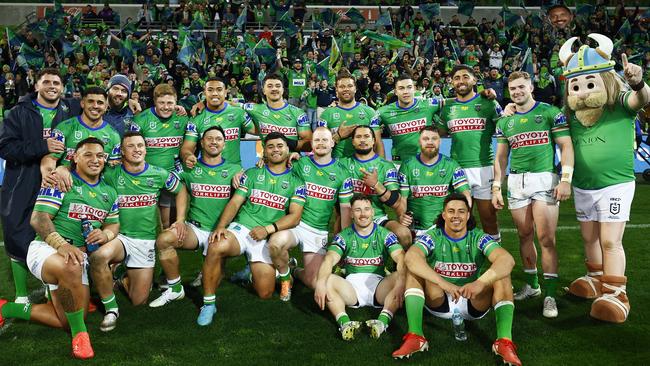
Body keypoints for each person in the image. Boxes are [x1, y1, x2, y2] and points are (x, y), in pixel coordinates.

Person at [0, 137, 120, 359]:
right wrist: (61, 245)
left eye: (100, 156)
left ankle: (5, 309)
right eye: (88, 155)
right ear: (75, 158)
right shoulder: (61, 181)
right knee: (72, 265)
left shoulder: (109, 192)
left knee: (67, 318)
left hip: (76, 256)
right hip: (47, 248)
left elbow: (114, 223)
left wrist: (106, 233)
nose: (95, 160)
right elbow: (39, 218)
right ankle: (81, 337)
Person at [559, 34, 650, 323]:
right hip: (584, 186)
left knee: (610, 240)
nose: (583, 92)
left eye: (589, 83)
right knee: (589, 237)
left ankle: (615, 292)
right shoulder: (571, 116)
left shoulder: (620, 102)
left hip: (616, 184)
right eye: (577, 85)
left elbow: (643, 99)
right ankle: (595, 276)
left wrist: (637, 82)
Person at [392, 194, 521, 366]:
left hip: (472, 300)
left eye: (461, 211)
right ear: (444, 214)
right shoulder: (433, 236)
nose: (456, 216)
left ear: (468, 215)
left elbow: (507, 260)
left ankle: (504, 342)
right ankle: (416, 336)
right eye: (451, 211)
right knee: (414, 271)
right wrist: (443, 283)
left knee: (502, 274)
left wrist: (480, 283)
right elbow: (411, 258)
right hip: (439, 299)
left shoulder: (478, 237)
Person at [197, 132, 306, 326]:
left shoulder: (297, 182)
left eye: (280, 146)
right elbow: (235, 202)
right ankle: (208, 304)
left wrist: (267, 229)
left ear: (288, 150)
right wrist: (221, 227)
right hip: (242, 230)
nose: (275, 150)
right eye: (270, 146)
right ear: (263, 150)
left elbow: (295, 217)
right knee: (215, 246)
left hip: (265, 236)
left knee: (264, 293)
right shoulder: (252, 173)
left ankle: (252, 272)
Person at [492, 71, 574, 318]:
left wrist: (566, 180)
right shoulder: (504, 121)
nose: (517, 92)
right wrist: (497, 186)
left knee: (546, 238)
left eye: (521, 87)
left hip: (544, 179)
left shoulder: (550, 113)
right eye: (512, 88)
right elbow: (501, 157)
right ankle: (534, 287)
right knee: (524, 235)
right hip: (517, 181)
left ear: (531, 87)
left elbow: (566, 146)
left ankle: (549, 295)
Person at [89, 131, 182, 332]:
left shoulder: (159, 174)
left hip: (145, 241)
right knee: (98, 257)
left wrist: (180, 220)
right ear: (122, 151)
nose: (137, 149)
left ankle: (120, 273)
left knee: (138, 300)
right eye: (131, 146)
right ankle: (111, 309)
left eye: (140, 145)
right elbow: (85, 173)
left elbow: (180, 190)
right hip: (119, 237)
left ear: (146, 149)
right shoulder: (111, 174)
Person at [0, 68, 78, 305]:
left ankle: (51, 287)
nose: (52, 86)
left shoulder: (72, 109)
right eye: (47, 82)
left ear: (62, 87)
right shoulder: (17, 113)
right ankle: (22, 295)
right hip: (23, 180)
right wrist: (41, 146)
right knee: (17, 233)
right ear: (37, 86)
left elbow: (98, 115)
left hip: (60, 180)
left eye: (56, 82)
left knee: (56, 231)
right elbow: (5, 147)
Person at [150, 126, 242, 307]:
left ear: (224, 145)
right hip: (195, 229)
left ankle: (214, 272)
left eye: (218, 139)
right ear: (201, 143)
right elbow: (166, 181)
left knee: (214, 281)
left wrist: (243, 175)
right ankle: (175, 288)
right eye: (209, 138)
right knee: (164, 240)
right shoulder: (189, 168)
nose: (214, 142)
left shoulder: (235, 169)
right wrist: (180, 220)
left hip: (220, 233)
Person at [268, 127, 353, 300]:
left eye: (324, 140)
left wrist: (346, 244)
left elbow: (345, 211)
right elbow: (274, 165)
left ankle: (294, 271)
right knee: (275, 243)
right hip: (296, 224)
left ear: (332, 143)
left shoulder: (343, 172)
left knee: (314, 281)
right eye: (317, 140)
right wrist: (263, 161)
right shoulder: (300, 164)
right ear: (311, 144)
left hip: (317, 230)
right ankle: (285, 278)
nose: (321, 143)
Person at [314, 194, 405, 340]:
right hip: (351, 289)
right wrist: (320, 283)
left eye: (367, 209)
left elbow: (400, 257)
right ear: (351, 213)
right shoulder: (344, 236)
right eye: (358, 210)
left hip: (379, 287)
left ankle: (382, 323)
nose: (363, 214)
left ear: (373, 212)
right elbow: (330, 259)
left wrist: (401, 281)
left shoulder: (385, 234)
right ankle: (345, 323)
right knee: (327, 279)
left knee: (401, 277)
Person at [438, 65, 504, 242]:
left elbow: (505, 128)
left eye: (465, 77)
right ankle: (463, 261)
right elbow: (440, 132)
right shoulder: (448, 107)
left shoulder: (489, 103)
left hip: (484, 168)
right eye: (457, 77)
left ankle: (496, 261)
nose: (461, 81)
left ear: (474, 80)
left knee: (488, 220)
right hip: (458, 170)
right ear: (452, 82)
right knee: (459, 221)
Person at [128, 84, 189, 229]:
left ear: (176, 103)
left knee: (169, 222)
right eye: (162, 103)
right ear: (155, 101)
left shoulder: (183, 119)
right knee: (147, 223)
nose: (166, 107)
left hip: (174, 175)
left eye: (170, 103)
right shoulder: (140, 120)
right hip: (147, 176)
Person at [342, 125, 411, 247]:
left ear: (374, 141)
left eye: (367, 136)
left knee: (403, 234)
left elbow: (396, 202)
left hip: (378, 217)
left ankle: (397, 266)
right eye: (358, 137)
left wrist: (376, 185)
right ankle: (343, 262)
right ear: (352, 141)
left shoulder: (386, 166)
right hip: (351, 217)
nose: (363, 140)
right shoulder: (342, 165)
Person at [398, 126, 471, 235]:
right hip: (414, 227)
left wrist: (464, 215)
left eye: (434, 138)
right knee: (401, 237)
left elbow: (465, 194)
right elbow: (402, 198)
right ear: (419, 141)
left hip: (442, 228)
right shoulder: (407, 165)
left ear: (440, 141)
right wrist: (401, 216)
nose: (430, 142)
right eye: (426, 139)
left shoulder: (451, 165)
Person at [41, 87, 121, 178]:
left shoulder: (114, 135)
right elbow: (50, 158)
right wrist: (49, 174)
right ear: (82, 103)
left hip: (96, 188)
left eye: (100, 103)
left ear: (106, 107)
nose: (95, 106)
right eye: (90, 101)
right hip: (66, 185)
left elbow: (113, 169)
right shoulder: (64, 128)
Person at [181, 77, 255, 167]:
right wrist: (188, 156)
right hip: (206, 173)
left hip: (234, 174)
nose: (215, 93)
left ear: (225, 92)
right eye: (210, 90)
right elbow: (187, 148)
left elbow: (257, 131)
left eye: (219, 90)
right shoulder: (196, 118)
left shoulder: (238, 113)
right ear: (205, 93)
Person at [317, 70, 384, 158]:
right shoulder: (325, 115)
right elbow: (320, 149)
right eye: (342, 86)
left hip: (363, 168)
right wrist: (338, 136)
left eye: (350, 86)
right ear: (336, 90)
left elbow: (378, 143)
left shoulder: (370, 112)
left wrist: (382, 168)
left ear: (355, 89)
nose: (346, 89)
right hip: (337, 168)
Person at [377, 73, 441, 161]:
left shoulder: (428, 105)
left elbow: (454, 102)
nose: (406, 91)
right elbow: (365, 126)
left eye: (409, 87)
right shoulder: (383, 112)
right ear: (395, 92)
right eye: (401, 88)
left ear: (414, 89)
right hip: (398, 163)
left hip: (424, 163)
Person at [243, 74, 311, 152]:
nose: (274, 89)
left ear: (283, 90)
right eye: (270, 86)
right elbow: (231, 105)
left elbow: (308, 145)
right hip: (268, 162)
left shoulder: (298, 113)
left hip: (292, 162)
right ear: (263, 91)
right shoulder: (256, 109)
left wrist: (283, 142)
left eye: (278, 86)